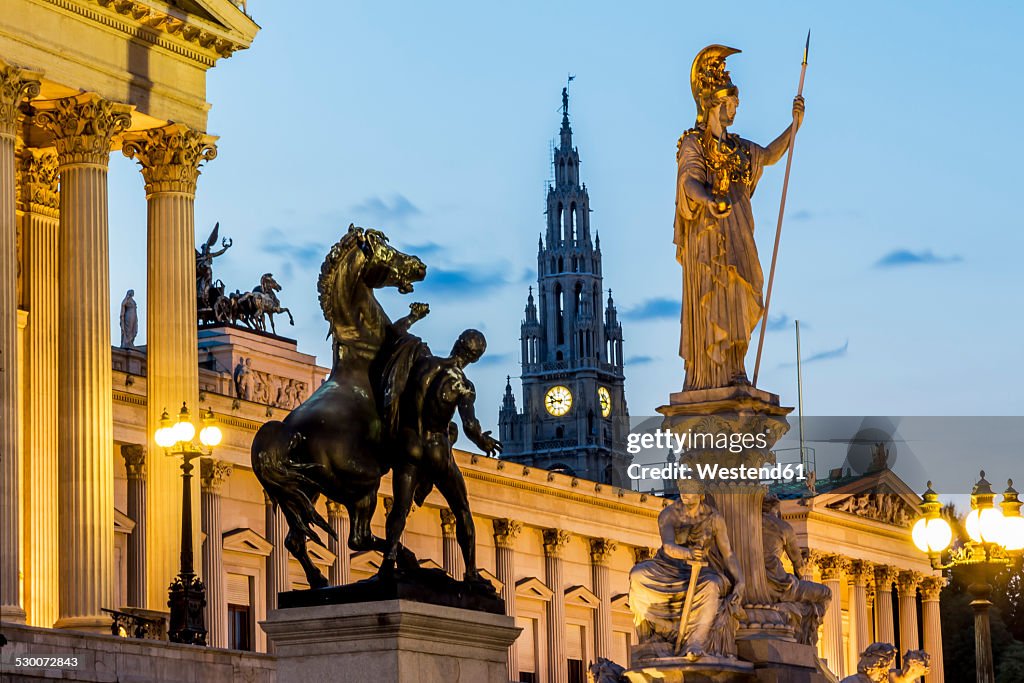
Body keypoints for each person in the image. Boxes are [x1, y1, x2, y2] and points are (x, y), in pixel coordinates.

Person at [675, 45, 804, 389]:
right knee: (719, 297)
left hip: (739, 233)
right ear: (713, 104)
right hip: (710, 241)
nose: (735, 107)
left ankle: (736, 366)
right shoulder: (695, 145)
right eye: (730, 102)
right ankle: (717, 373)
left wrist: (794, 127)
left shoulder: (740, 148)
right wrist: (710, 199)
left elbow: (771, 155)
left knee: (746, 290)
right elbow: (689, 181)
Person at [376, 321, 501, 586]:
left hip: (408, 444)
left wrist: (412, 318)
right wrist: (483, 442)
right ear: (475, 358)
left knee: (400, 507)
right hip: (436, 449)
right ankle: (470, 572)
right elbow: (469, 426)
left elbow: (396, 344)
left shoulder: (423, 363)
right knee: (462, 509)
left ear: (457, 343)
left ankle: (388, 561)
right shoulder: (464, 385)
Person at [629, 479, 744, 660]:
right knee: (637, 575)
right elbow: (668, 546)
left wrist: (740, 580)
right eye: (682, 489)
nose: (685, 493)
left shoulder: (714, 519)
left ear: (700, 493)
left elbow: (728, 553)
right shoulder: (669, 514)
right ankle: (649, 637)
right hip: (668, 566)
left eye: (690, 489)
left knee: (712, 585)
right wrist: (688, 553)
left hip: (701, 570)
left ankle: (695, 642)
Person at [762, 493, 830, 645]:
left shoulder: (748, 525)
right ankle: (807, 636)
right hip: (779, 585)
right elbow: (799, 567)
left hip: (754, 582)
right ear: (776, 509)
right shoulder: (783, 527)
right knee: (825, 593)